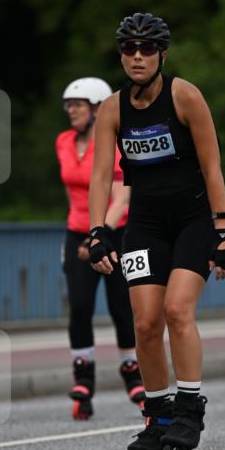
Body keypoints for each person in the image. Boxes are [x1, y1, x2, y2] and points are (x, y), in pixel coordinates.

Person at [88, 13, 225, 450]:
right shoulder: (112, 109)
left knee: (176, 310)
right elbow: (101, 176)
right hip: (145, 226)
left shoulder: (185, 96)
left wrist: (223, 232)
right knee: (145, 322)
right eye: (129, 49)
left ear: (162, 55)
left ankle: (189, 408)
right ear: (121, 56)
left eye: (147, 48)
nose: (137, 56)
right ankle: (157, 416)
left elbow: (212, 168)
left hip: (193, 221)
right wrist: (98, 231)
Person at [57, 77, 145, 419]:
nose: (71, 111)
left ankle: (133, 376)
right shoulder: (63, 142)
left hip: (115, 233)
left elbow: (122, 197)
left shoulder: (115, 144)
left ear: (97, 109)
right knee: (79, 306)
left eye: (77, 105)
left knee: (121, 307)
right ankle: (83, 379)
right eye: (68, 105)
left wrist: (99, 235)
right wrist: (78, 233)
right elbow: (73, 192)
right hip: (76, 233)